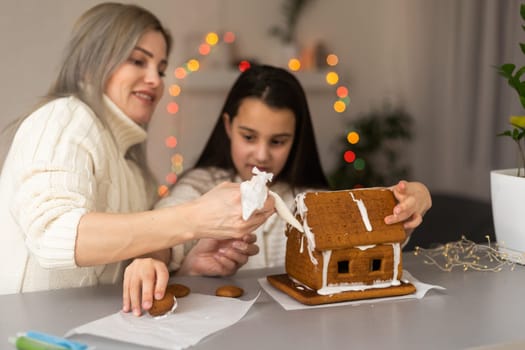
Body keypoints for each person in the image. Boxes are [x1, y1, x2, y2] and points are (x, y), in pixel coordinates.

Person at [0, 2, 275, 310]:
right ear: (93, 62)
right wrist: (196, 217)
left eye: (160, 69)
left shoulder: (136, 174)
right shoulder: (64, 119)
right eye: (138, 61)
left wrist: (191, 268)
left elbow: (121, 276)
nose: (155, 80)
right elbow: (52, 235)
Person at [123, 64, 431, 312]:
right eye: (248, 137)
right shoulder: (202, 185)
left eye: (278, 141)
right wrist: (152, 259)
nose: (261, 155)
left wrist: (411, 197)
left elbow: (370, 243)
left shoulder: (315, 202)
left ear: (296, 139)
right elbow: (163, 229)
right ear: (228, 127)